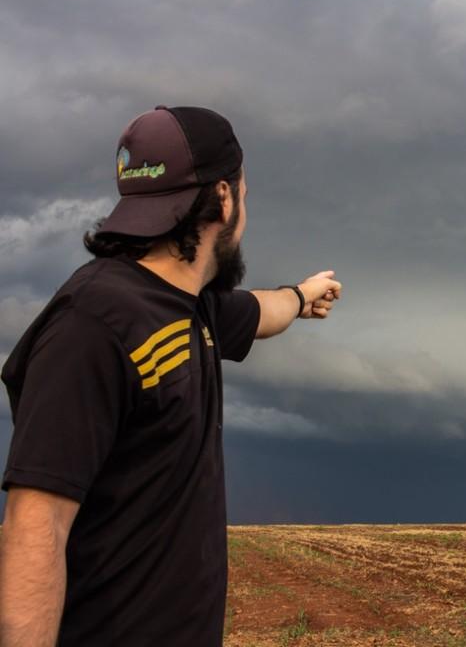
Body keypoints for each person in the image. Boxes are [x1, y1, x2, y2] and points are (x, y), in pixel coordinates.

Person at [0, 105, 342, 645]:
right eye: (244, 194)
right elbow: (35, 528)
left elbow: (258, 311)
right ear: (225, 199)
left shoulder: (193, 310)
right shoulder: (93, 325)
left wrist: (301, 296)